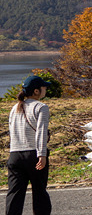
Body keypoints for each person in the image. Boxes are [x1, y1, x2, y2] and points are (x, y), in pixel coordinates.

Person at [6, 75, 51, 215]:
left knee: (14, 194)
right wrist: (42, 155)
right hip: (33, 154)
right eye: (44, 87)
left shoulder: (14, 108)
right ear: (36, 91)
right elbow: (41, 132)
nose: (45, 89)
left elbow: (12, 131)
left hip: (15, 155)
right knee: (39, 193)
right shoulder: (41, 107)